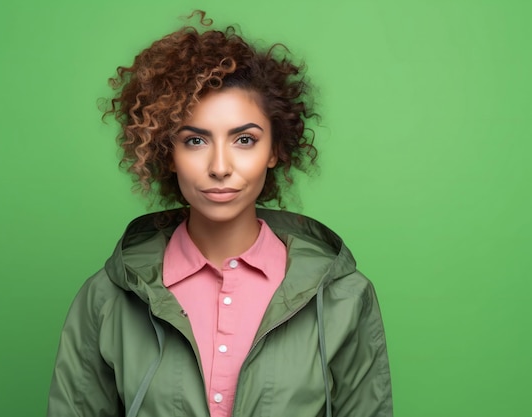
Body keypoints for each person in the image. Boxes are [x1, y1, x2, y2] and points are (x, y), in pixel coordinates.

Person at [47, 11, 393, 417]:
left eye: (245, 140)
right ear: (167, 153)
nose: (220, 166)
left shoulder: (343, 297)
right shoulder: (106, 298)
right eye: (195, 140)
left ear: (275, 151)